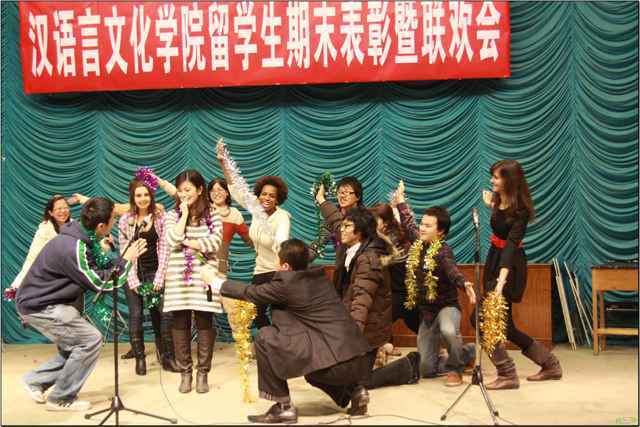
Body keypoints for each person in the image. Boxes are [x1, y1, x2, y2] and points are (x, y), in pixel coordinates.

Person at [211, 239, 372, 424]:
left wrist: (215, 282)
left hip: (333, 367)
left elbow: (251, 292)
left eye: (277, 260)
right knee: (312, 371)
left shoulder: (286, 285)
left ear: (286, 266)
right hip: (359, 361)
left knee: (264, 337)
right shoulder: (319, 277)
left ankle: (283, 407)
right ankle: (356, 392)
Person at [16, 197, 146, 411]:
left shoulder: (82, 237)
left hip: (50, 301)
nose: (115, 222)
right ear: (101, 226)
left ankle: (35, 380)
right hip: (40, 305)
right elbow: (100, 283)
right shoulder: (74, 246)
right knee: (90, 340)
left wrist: (122, 258)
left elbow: (101, 266)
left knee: (76, 344)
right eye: (113, 219)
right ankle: (60, 398)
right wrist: (128, 261)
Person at [478, 159, 562, 390]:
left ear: (510, 180)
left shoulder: (521, 211)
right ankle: (550, 363)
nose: (492, 180)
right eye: (493, 176)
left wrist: (501, 282)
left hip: (510, 266)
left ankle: (507, 374)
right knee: (506, 327)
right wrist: (491, 205)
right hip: (494, 259)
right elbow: (500, 226)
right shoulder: (498, 201)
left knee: (485, 318)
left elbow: (511, 245)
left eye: (496, 177)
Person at [154, 174, 253, 339]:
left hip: (214, 268)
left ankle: (242, 342)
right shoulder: (190, 210)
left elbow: (242, 239)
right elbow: (178, 193)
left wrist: (193, 243)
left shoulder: (229, 214)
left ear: (227, 192)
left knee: (222, 310)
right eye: (213, 190)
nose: (216, 193)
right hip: (183, 272)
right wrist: (160, 182)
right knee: (184, 316)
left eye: (220, 189)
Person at [217, 140, 291, 330]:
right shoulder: (256, 210)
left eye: (272, 196)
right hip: (260, 271)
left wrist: (281, 268)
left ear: (278, 199)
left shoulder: (282, 217)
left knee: (279, 315)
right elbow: (235, 189)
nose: (267, 198)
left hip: (277, 272)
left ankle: (280, 342)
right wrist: (223, 162)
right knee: (256, 312)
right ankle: (271, 340)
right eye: (264, 194)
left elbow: (282, 241)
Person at [163, 170, 223, 394]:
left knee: (204, 323)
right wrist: (185, 214)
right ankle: (185, 373)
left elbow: (215, 242)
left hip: (204, 276)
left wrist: (190, 243)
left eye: (187, 190)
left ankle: (203, 373)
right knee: (179, 324)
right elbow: (172, 240)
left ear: (199, 190)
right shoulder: (172, 215)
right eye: (180, 191)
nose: (183, 194)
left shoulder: (213, 214)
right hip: (178, 277)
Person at [118, 179, 178, 375]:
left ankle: (167, 357)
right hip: (133, 272)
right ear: (133, 198)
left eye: (146, 195)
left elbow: (165, 247)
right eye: (138, 195)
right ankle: (140, 358)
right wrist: (132, 278)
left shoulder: (160, 217)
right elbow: (124, 250)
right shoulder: (125, 219)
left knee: (164, 313)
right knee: (136, 314)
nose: (142, 198)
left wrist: (160, 276)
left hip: (155, 271)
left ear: (151, 196)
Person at [310, 176, 364, 257]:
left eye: (346, 192)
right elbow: (317, 245)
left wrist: (321, 200)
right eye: (340, 192)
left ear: (358, 196)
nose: (342, 196)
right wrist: (298, 259)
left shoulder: (364, 217)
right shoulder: (333, 217)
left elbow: (343, 233)